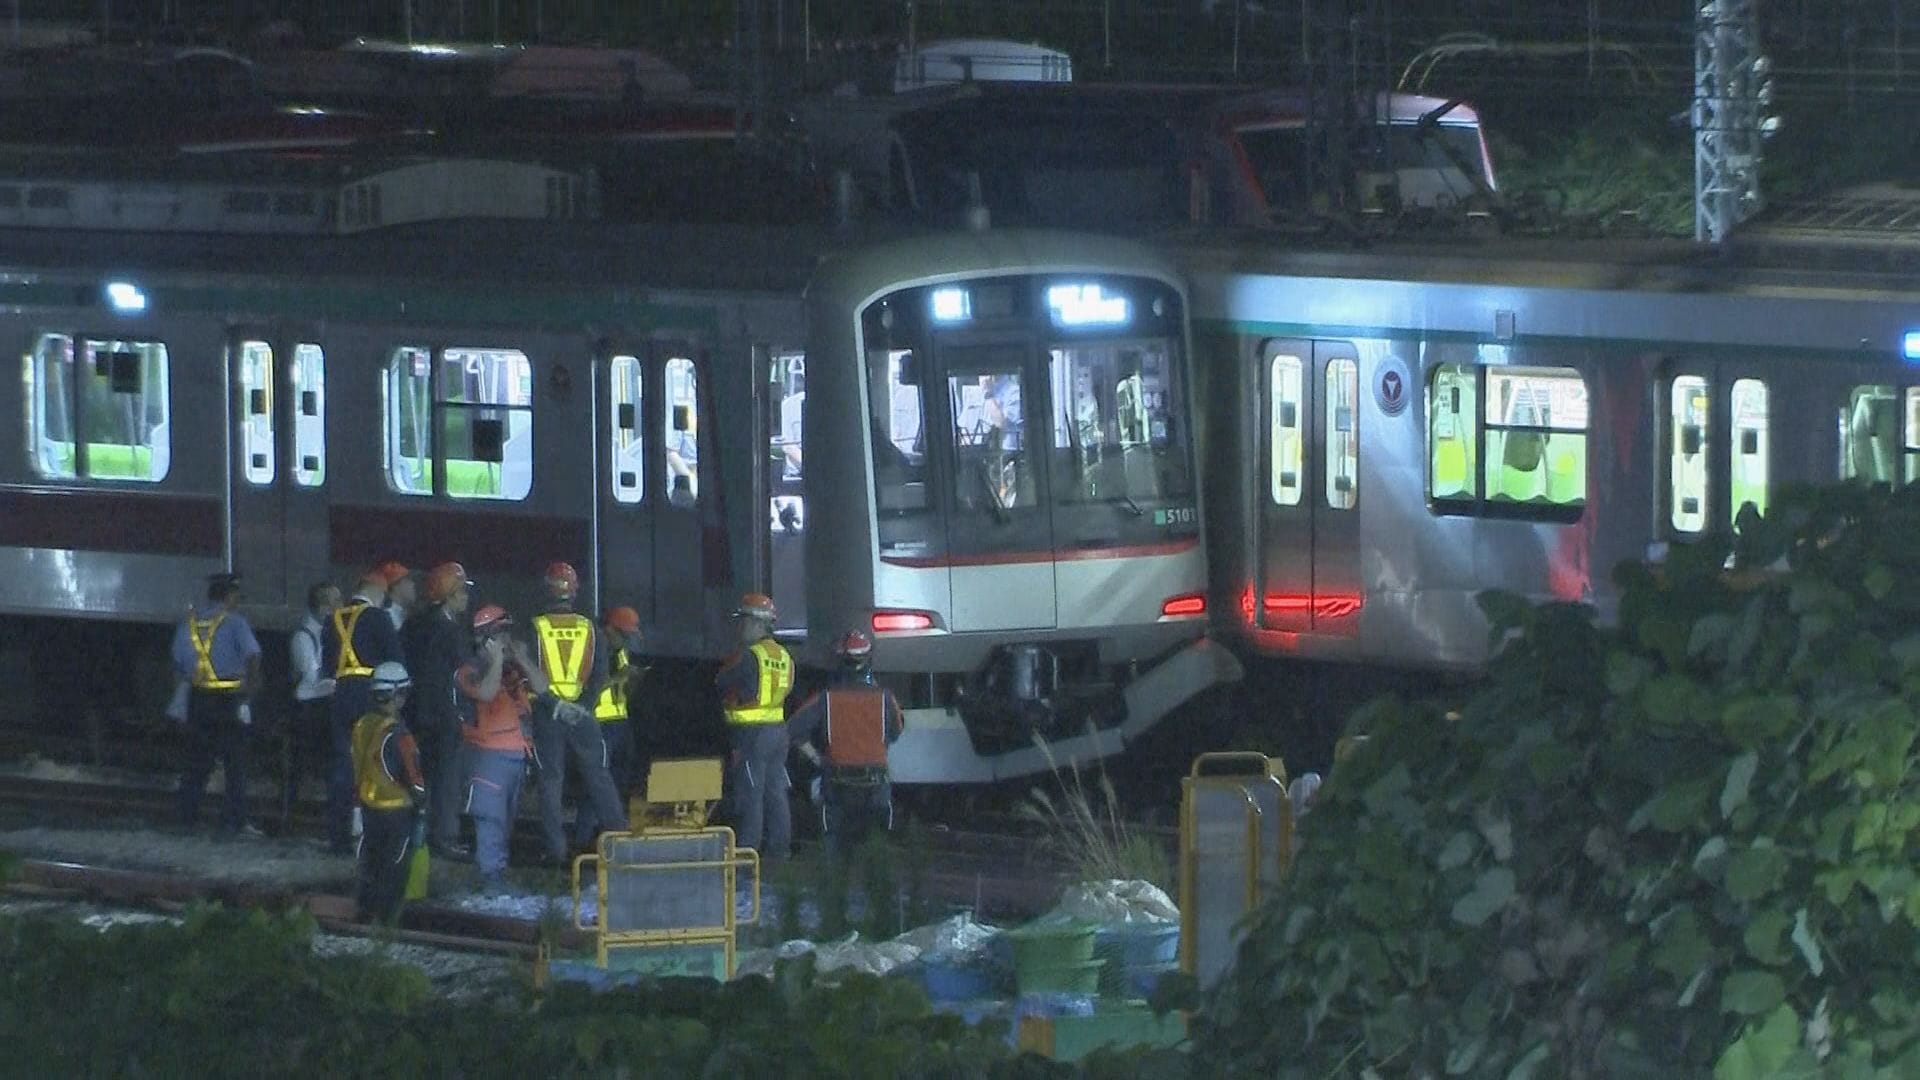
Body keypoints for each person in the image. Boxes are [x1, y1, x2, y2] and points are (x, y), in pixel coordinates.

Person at [527, 561, 629, 861]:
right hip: (583, 716)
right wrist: (581, 707)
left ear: (548, 589)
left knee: (550, 780)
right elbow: (599, 675)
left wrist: (556, 706)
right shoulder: (590, 629)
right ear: (574, 592)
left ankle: (556, 851)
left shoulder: (536, 628)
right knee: (599, 776)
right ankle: (619, 840)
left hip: (549, 715)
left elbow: (529, 676)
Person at [787, 630, 904, 858]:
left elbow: (793, 730)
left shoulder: (825, 698)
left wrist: (817, 758)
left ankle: (837, 886)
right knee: (876, 848)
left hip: (838, 782)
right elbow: (896, 732)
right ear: (869, 659)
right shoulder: (885, 697)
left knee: (835, 846)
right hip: (875, 783)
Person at [458, 604, 548, 891]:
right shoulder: (468, 671)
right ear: (486, 638)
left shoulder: (512, 670)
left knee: (506, 820)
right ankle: (490, 880)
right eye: (502, 634)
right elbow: (485, 693)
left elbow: (542, 687)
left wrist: (522, 659)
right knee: (490, 818)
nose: (508, 640)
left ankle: (498, 875)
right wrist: (496, 659)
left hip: (516, 756)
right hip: (487, 757)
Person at [321, 563, 405, 854]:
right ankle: (368, 832)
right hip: (371, 696)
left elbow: (328, 666)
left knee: (342, 764)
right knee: (373, 764)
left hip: (341, 694)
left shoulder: (332, 619)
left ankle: (338, 836)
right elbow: (395, 661)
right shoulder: (378, 617)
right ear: (376, 591)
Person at [173, 572, 264, 838]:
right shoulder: (235, 622)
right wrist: (251, 687)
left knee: (196, 761)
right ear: (229, 596)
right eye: (236, 596)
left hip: (198, 699)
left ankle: (186, 817)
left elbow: (178, 663)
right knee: (235, 763)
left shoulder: (188, 624)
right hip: (228, 700)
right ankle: (234, 821)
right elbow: (253, 655)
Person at [403, 561, 474, 858]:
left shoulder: (413, 624)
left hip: (415, 712)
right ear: (450, 595)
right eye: (462, 592)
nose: (466, 598)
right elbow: (464, 672)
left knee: (419, 777)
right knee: (447, 779)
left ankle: (416, 835)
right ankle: (444, 838)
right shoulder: (450, 631)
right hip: (444, 715)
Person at [715, 592, 795, 859]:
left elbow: (723, 683)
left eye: (744, 621)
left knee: (751, 793)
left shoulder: (749, 656)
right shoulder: (784, 656)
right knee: (775, 792)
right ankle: (779, 850)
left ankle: (748, 851)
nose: (741, 628)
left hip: (752, 736)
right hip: (777, 732)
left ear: (758, 623)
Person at [351, 661, 425, 923]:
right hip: (397, 811)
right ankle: (386, 920)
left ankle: (365, 912)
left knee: (370, 864)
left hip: (368, 807)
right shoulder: (399, 733)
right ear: (398, 694)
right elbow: (413, 775)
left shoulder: (362, 725)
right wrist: (422, 802)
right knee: (394, 867)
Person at [576, 605, 645, 848]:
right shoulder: (594, 650)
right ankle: (583, 839)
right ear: (609, 629)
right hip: (599, 724)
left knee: (617, 778)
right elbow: (586, 688)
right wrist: (618, 678)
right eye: (623, 634)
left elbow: (624, 691)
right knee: (596, 780)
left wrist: (632, 680)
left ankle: (607, 831)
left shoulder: (620, 651)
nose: (626, 640)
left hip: (619, 722)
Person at [283, 582, 341, 832]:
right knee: (302, 765)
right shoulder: (303, 636)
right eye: (335, 602)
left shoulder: (330, 632)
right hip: (308, 709)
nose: (340, 606)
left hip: (324, 707)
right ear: (322, 606)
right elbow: (310, 676)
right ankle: (291, 818)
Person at [382, 561, 417, 634]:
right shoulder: (385, 615)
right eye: (409, 579)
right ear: (396, 585)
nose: (414, 585)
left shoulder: (409, 616)